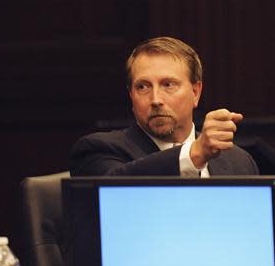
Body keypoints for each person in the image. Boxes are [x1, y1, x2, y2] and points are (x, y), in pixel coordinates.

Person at [69, 36, 258, 176]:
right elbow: (115, 192)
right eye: (142, 87)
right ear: (131, 95)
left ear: (195, 92)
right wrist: (193, 155)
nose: (156, 99)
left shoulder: (238, 161)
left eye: (168, 84)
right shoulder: (98, 150)